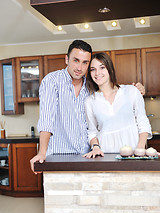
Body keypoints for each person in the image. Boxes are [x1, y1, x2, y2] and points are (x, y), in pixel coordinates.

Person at [30, 40, 145, 173]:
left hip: (88, 156)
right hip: (59, 156)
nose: (80, 68)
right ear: (67, 59)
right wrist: (42, 152)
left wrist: (136, 89)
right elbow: (46, 120)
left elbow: (112, 89)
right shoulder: (52, 81)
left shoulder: (91, 86)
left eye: (85, 63)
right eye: (76, 60)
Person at [83, 52, 152, 158]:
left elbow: (143, 123)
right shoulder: (90, 101)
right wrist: (95, 147)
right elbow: (92, 132)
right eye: (93, 69)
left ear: (110, 69)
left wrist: (140, 148)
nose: (97, 73)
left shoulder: (131, 91)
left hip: (134, 154)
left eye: (102, 67)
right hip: (105, 156)